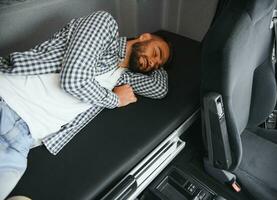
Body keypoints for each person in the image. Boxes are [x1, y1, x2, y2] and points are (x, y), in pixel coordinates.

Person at [0, 11, 171, 199]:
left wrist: (160, 63)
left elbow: (159, 89)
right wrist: (115, 100)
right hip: (6, 100)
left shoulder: (122, 77)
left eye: (157, 64)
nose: (154, 62)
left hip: (23, 142)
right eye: (156, 53)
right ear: (144, 36)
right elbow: (73, 80)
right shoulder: (105, 25)